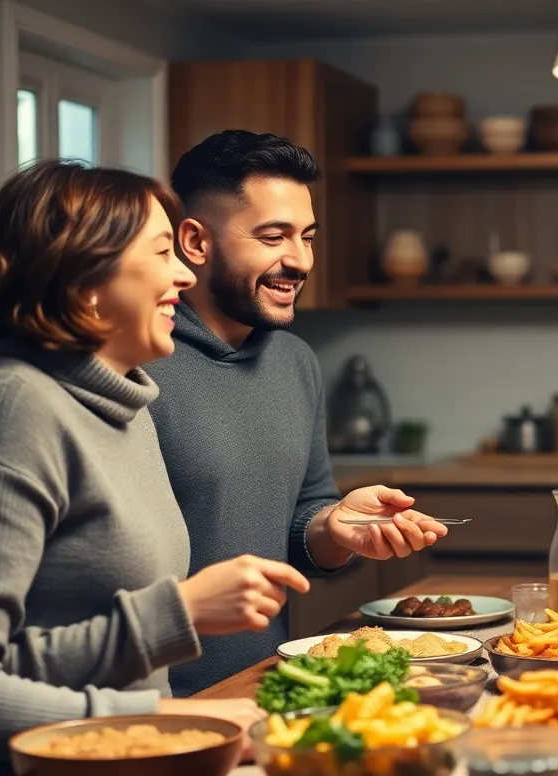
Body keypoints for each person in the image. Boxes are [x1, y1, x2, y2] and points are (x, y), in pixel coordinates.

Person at [0, 161, 304, 776]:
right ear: (84, 279)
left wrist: (171, 723)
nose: (185, 273)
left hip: (137, 773)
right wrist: (177, 619)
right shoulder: (14, 409)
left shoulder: (125, 398)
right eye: (161, 252)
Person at [149, 130, 448, 696]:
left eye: (307, 237)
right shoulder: (140, 361)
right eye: (272, 237)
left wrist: (337, 527)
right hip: (162, 702)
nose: (300, 260)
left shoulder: (295, 361)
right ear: (195, 241)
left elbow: (302, 520)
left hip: (267, 683)